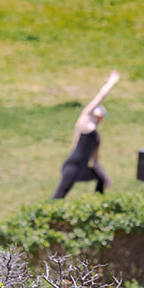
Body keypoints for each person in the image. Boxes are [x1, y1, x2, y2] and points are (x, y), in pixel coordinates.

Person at [53, 70, 120, 198]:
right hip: (72, 166)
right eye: (99, 116)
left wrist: (105, 177)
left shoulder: (97, 137)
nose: (100, 119)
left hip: (82, 169)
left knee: (100, 179)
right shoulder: (85, 120)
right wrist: (111, 83)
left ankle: (99, 204)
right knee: (59, 195)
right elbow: (100, 97)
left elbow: (95, 162)